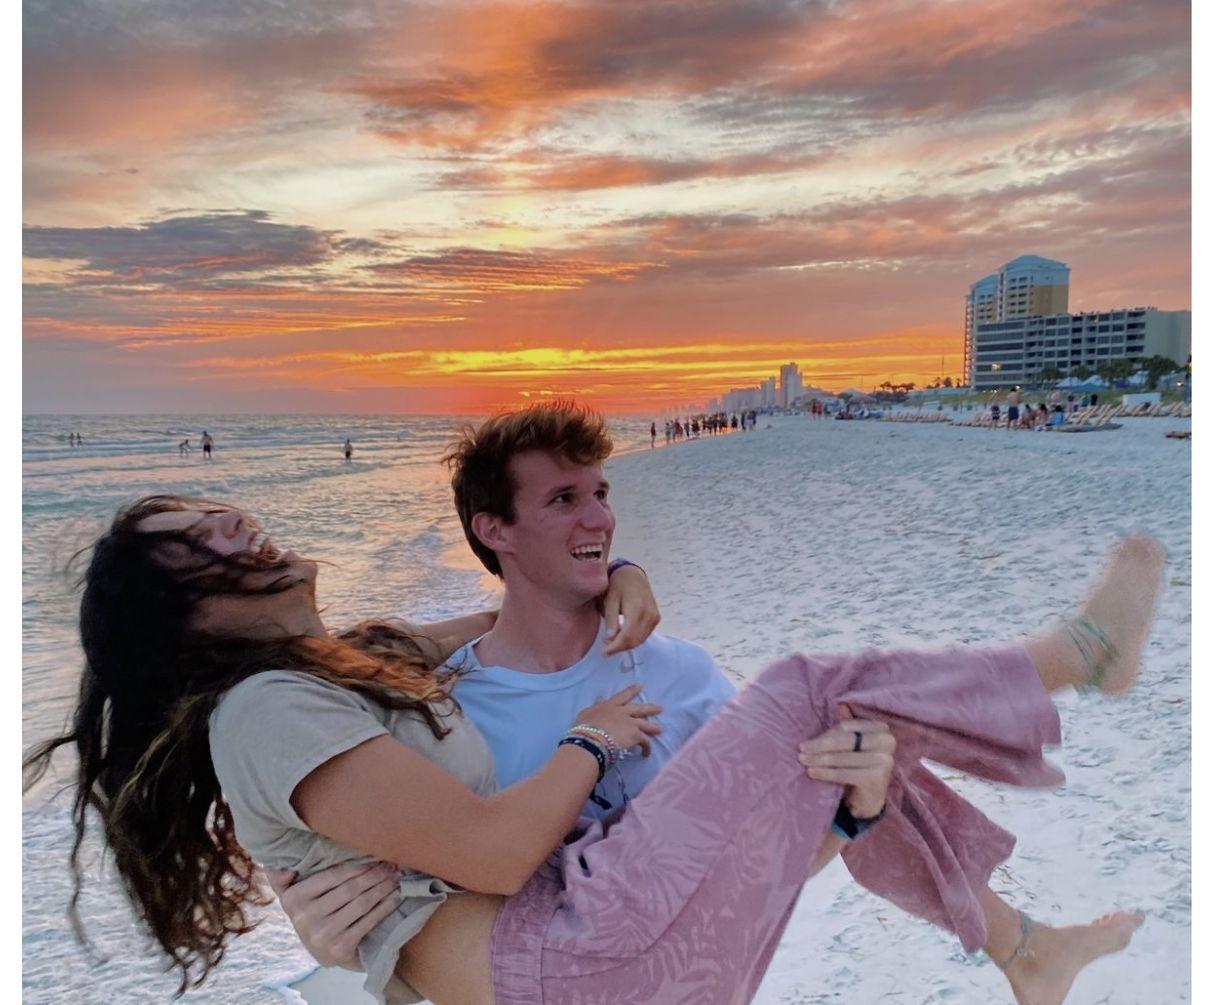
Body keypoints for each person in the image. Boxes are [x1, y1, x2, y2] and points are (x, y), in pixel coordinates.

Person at [26, 406, 1160, 1005]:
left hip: (611, 956)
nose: (235, 523)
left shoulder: (338, 673)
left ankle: (1019, 944)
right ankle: (1076, 654)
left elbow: (455, 632)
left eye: (219, 512)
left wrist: (616, 576)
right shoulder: (267, 709)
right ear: (185, 619)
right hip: (566, 960)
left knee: (843, 742)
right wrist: (587, 734)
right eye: (201, 544)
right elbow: (491, 852)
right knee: (809, 688)